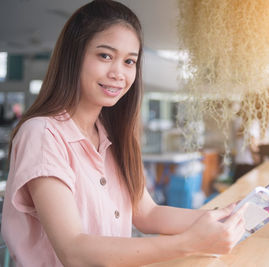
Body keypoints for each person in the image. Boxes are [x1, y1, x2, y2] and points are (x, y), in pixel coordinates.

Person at [1, 1, 246, 266]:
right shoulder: (42, 134)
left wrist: (225, 216)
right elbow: (73, 250)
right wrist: (187, 244)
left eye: (129, 61)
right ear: (74, 56)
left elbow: (148, 213)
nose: (119, 73)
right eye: (105, 56)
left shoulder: (113, 136)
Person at [233, 89, 269, 182]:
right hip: (248, 171)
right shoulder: (253, 123)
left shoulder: (255, 123)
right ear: (268, 106)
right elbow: (254, 149)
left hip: (243, 169)